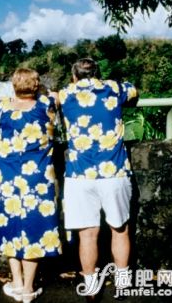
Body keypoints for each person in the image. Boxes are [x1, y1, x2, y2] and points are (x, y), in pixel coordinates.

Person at [57, 58, 138, 300]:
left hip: (79, 175)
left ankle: (91, 286)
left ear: (74, 76)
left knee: (87, 234)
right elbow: (134, 92)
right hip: (114, 172)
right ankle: (122, 283)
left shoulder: (64, 94)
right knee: (120, 230)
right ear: (98, 74)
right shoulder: (114, 88)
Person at [0, 68, 62, 303]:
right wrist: (38, 93)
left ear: (14, 86)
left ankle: (16, 283)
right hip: (36, 180)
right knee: (34, 229)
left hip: (5, 179)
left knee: (8, 226)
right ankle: (28, 287)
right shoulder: (45, 106)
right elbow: (58, 96)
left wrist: (12, 97)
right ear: (37, 86)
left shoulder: (1, 108)